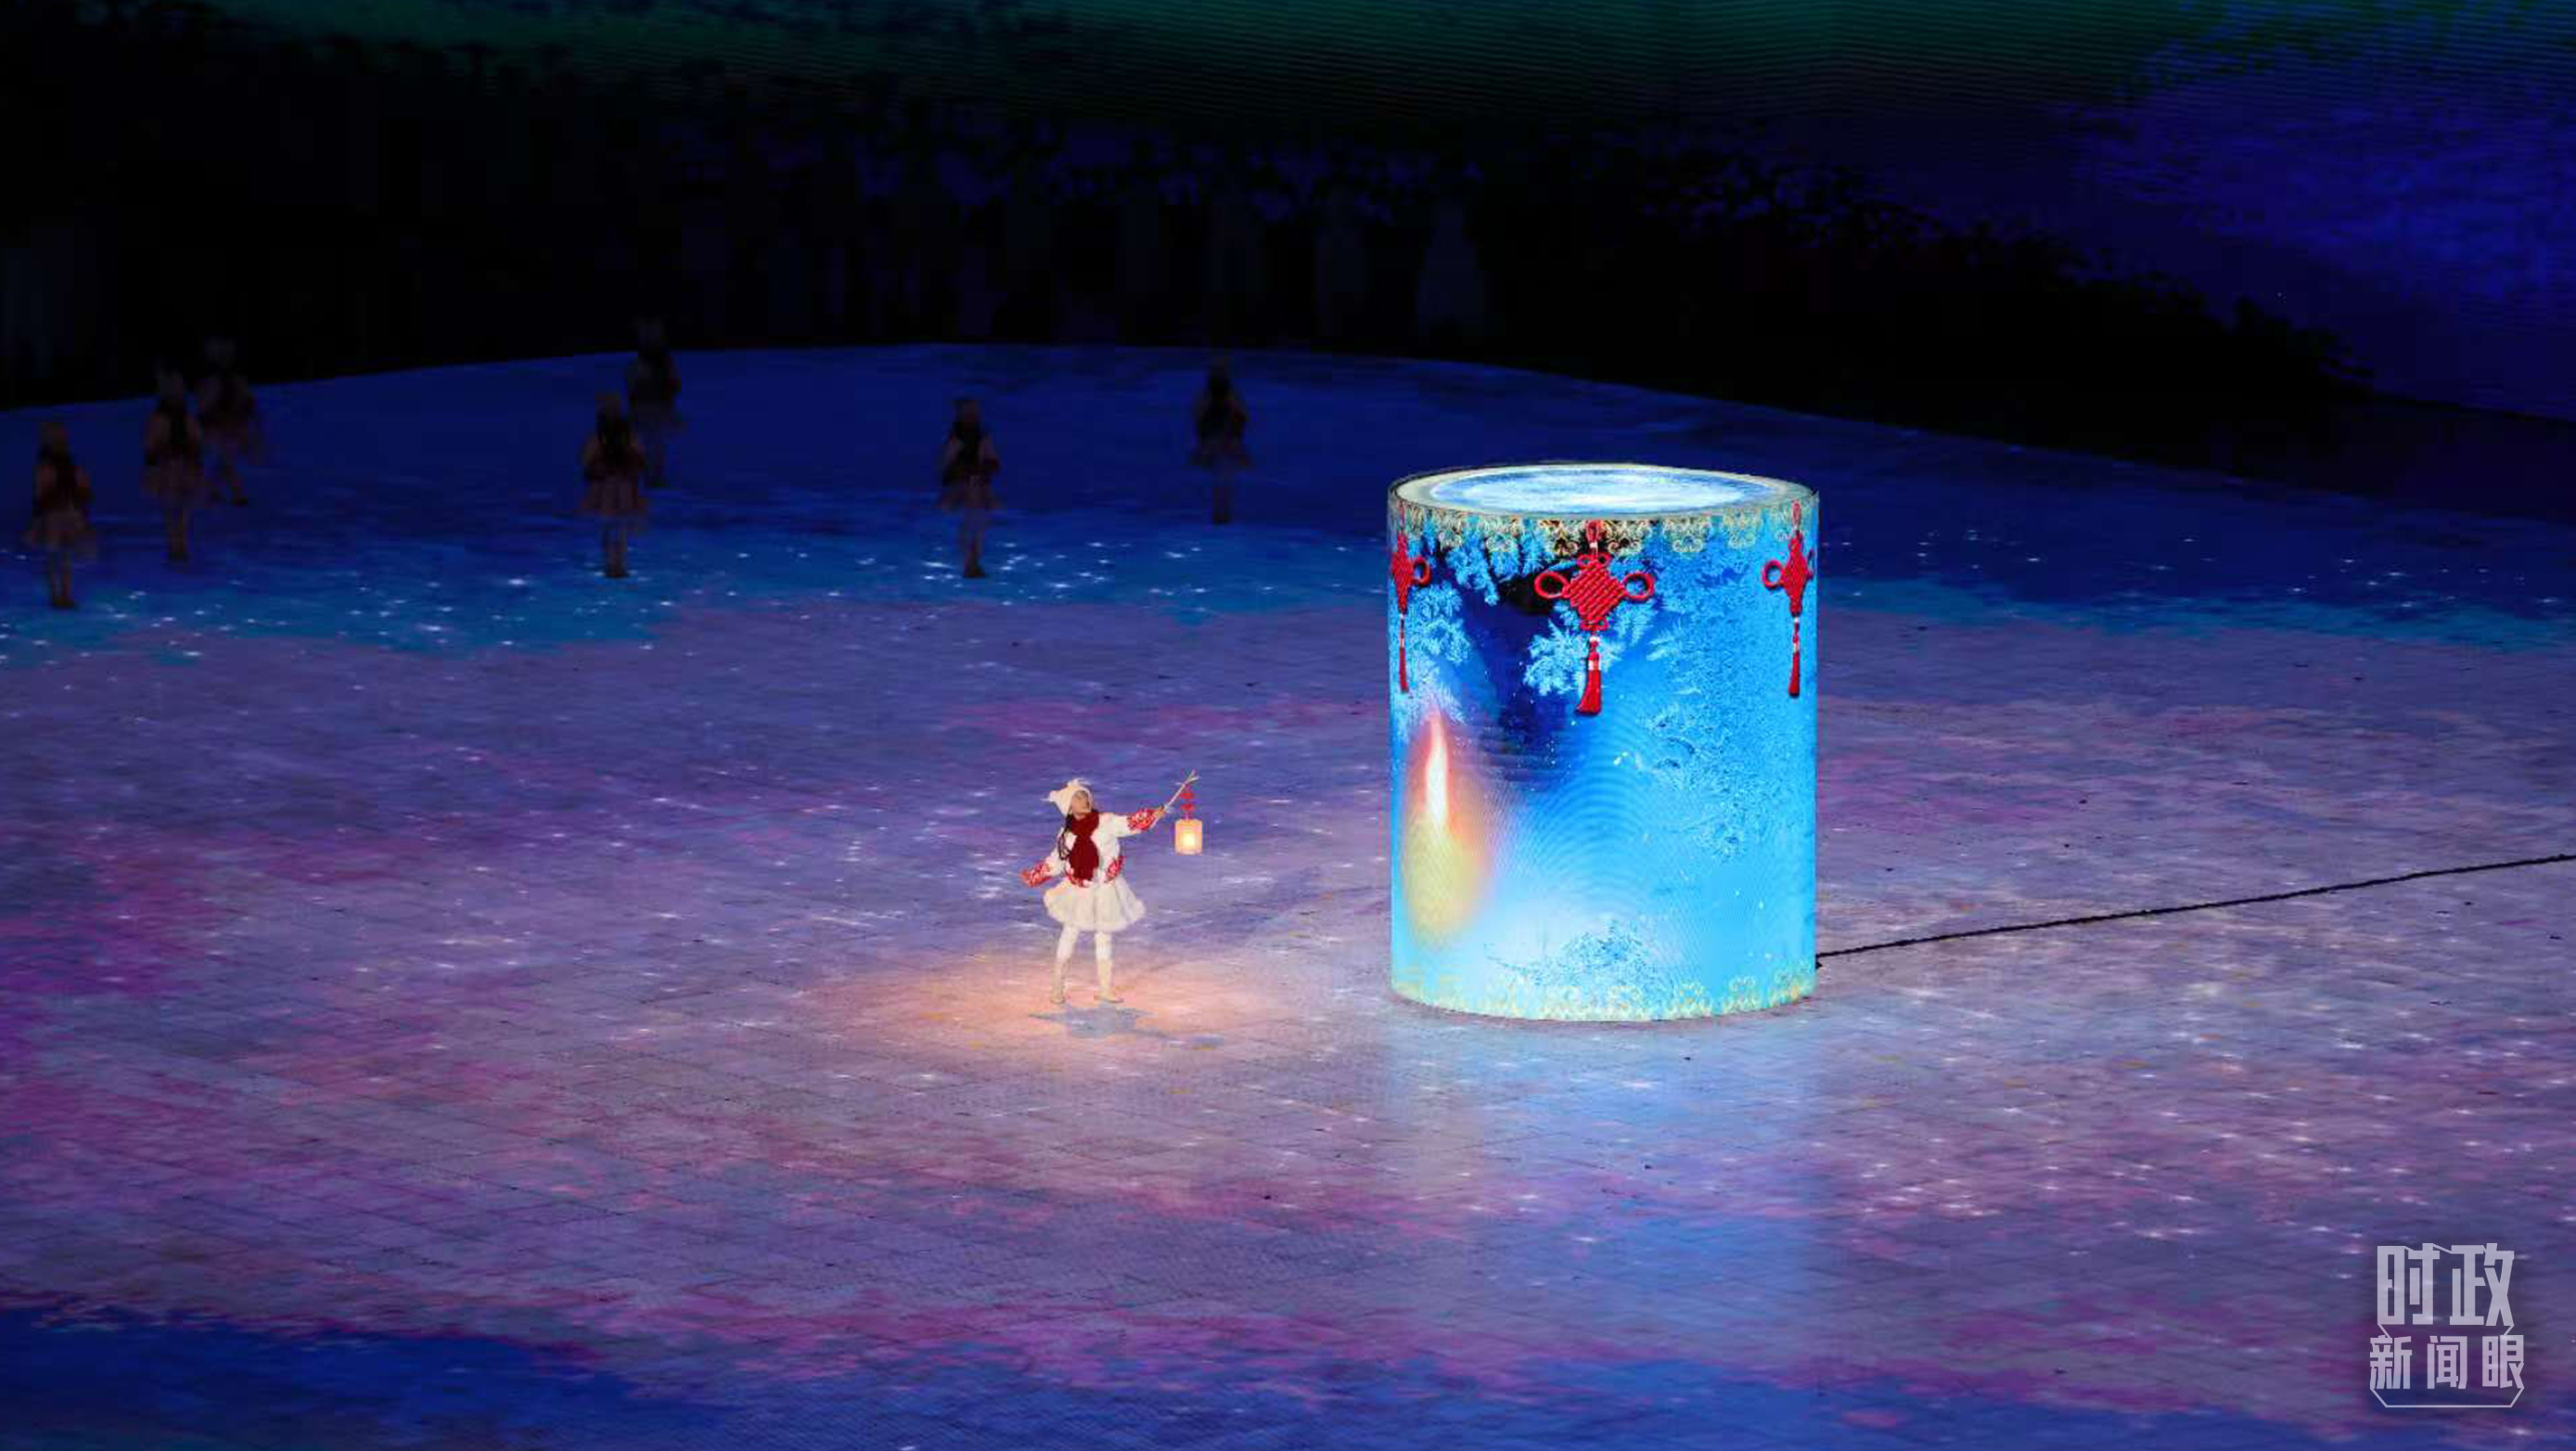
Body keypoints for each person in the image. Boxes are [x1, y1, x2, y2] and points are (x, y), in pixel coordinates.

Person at [1020, 775, 1195, 1005]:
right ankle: (1057, 986)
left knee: (1104, 937)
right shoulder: (1066, 835)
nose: (1084, 800)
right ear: (1068, 807)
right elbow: (1056, 862)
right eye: (1078, 798)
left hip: (1105, 890)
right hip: (1079, 891)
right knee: (1069, 935)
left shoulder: (1106, 822)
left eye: (1085, 796)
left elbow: (1128, 823)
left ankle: (1105, 988)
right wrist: (1035, 875)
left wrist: (1152, 815)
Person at [25, 422, 95, 609]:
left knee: (59, 556)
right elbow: (42, 491)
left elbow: (41, 492)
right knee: (59, 556)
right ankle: (59, 594)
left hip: (61, 512)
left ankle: (60, 594)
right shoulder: (55, 463)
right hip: (59, 513)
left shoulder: (57, 463)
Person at [580, 393, 649, 578]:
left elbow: (639, 458)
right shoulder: (601, 437)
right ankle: (612, 564)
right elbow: (588, 460)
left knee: (617, 526)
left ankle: (616, 563)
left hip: (619, 484)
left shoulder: (622, 436)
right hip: (611, 485)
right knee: (613, 525)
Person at [142, 370, 209, 562]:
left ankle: (180, 542)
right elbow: (150, 446)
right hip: (168, 466)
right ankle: (175, 543)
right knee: (172, 505)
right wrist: (153, 469)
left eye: (179, 388)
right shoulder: (159, 418)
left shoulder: (186, 417)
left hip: (185, 465)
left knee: (184, 505)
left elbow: (198, 441)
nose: (177, 392)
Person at [938, 396, 999, 578]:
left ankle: (971, 563)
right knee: (973, 523)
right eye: (969, 411)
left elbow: (992, 459)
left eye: (974, 411)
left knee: (976, 524)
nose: (973, 415)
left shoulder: (978, 435)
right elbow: (946, 462)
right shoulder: (960, 437)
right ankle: (970, 564)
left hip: (974, 484)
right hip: (967, 485)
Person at [196, 337, 262, 507]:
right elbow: (205, 403)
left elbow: (244, 398)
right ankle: (236, 494)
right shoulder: (212, 378)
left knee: (225, 459)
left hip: (230, 423)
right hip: (217, 424)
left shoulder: (232, 376)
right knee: (225, 459)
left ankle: (213, 491)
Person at [1190, 356, 1250, 524]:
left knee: (1224, 478)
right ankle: (1220, 516)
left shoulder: (1229, 397)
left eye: (1221, 371)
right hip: (1216, 441)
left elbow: (1241, 418)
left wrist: (1231, 439)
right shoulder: (1208, 397)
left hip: (1224, 441)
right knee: (1222, 477)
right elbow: (1199, 419)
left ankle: (1222, 516)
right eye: (1217, 370)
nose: (1219, 374)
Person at [625, 318, 682, 489]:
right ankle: (652, 476)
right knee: (652, 442)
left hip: (654, 406)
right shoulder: (648, 363)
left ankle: (653, 476)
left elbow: (673, 384)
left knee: (653, 442)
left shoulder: (660, 363)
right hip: (650, 406)